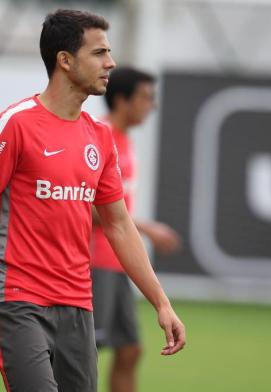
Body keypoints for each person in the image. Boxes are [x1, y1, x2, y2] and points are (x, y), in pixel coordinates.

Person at [0, 9, 185, 392]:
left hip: (78, 305)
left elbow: (119, 225)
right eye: (99, 52)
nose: (111, 63)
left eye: (110, 52)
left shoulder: (99, 139)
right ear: (65, 61)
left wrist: (161, 302)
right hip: (17, 302)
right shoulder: (16, 124)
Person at [90, 66, 181, 392]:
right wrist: (144, 227)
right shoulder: (98, 137)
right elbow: (87, 206)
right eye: (145, 97)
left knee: (130, 350)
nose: (151, 105)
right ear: (121, 100)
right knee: (85, 353)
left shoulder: (124, 141)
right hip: (95, 261)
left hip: (118, 263)